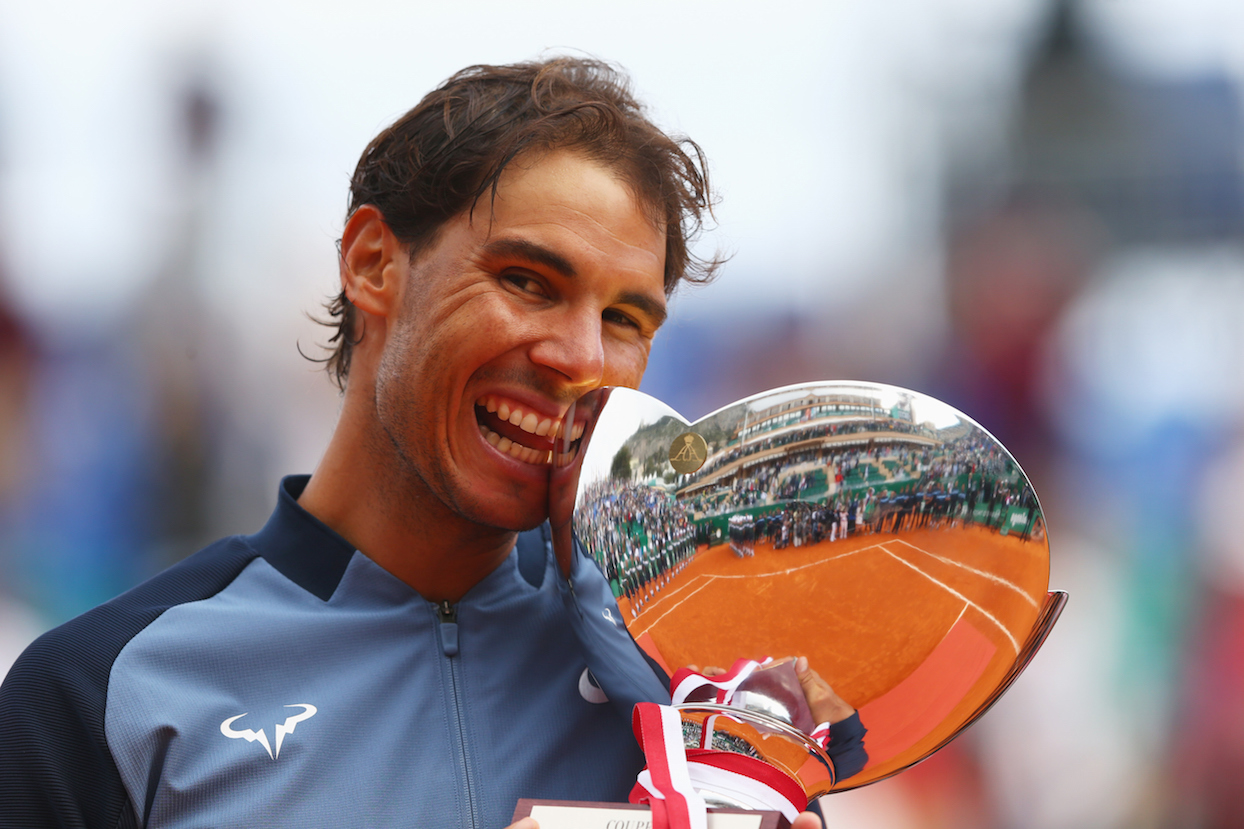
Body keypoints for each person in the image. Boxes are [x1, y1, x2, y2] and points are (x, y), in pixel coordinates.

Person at [0, 58, 829, 829]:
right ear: (372, 266)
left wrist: (689, 722)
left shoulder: (713, 680)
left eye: (623, 319)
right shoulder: (103, 691)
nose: (580, 360)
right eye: (527, 282)